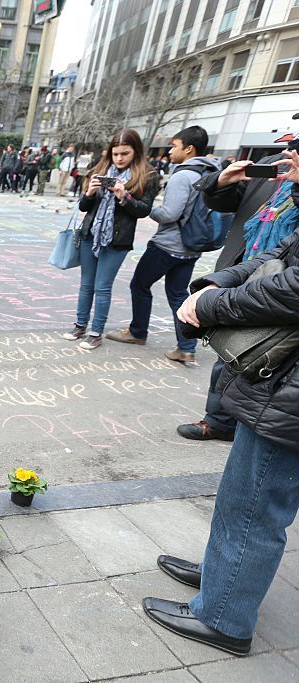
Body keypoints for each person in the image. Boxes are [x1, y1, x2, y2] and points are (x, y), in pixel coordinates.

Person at [142, 150, 299, 658]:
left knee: (256, 502)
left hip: (291, 390)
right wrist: (218, 280)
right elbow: (275, 258)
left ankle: (225, 615)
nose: (290, 152)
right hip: (282, 382)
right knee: (244, 492)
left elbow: (295, 287)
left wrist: (209, 304)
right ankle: (220, 577)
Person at [176, 129, 299, 442]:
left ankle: (240, 423)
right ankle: (219, 420)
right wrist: (221, 182)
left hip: (277, 285)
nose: (292, 151)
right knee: (227, 351)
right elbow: (225, 202)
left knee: (260, 353)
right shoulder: (272, 165)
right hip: (247, 267)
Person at [105, 126, 220, 364]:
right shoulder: (210, 171)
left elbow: (170, 213)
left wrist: (151, 211)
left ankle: (138, 332)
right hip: (192, 246)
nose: (170, 151)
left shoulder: (182, 175)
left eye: (174, 146)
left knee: (139, 285)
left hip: (168, 245)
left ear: (189, 149)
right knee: (178, 294)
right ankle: (186, 347)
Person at [62, 129, 160, 350]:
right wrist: (88, 193)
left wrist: (123, 197)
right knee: (86, 285)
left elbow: (144, 210)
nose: (119, 158)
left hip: (117, 240)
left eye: (125, 153)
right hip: (90, 235)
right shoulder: (100, 169)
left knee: (102, 286)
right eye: (115, 154)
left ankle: (96, 332)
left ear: (136, 151)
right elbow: (83, 207)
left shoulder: (147, 175)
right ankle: (80, 325)